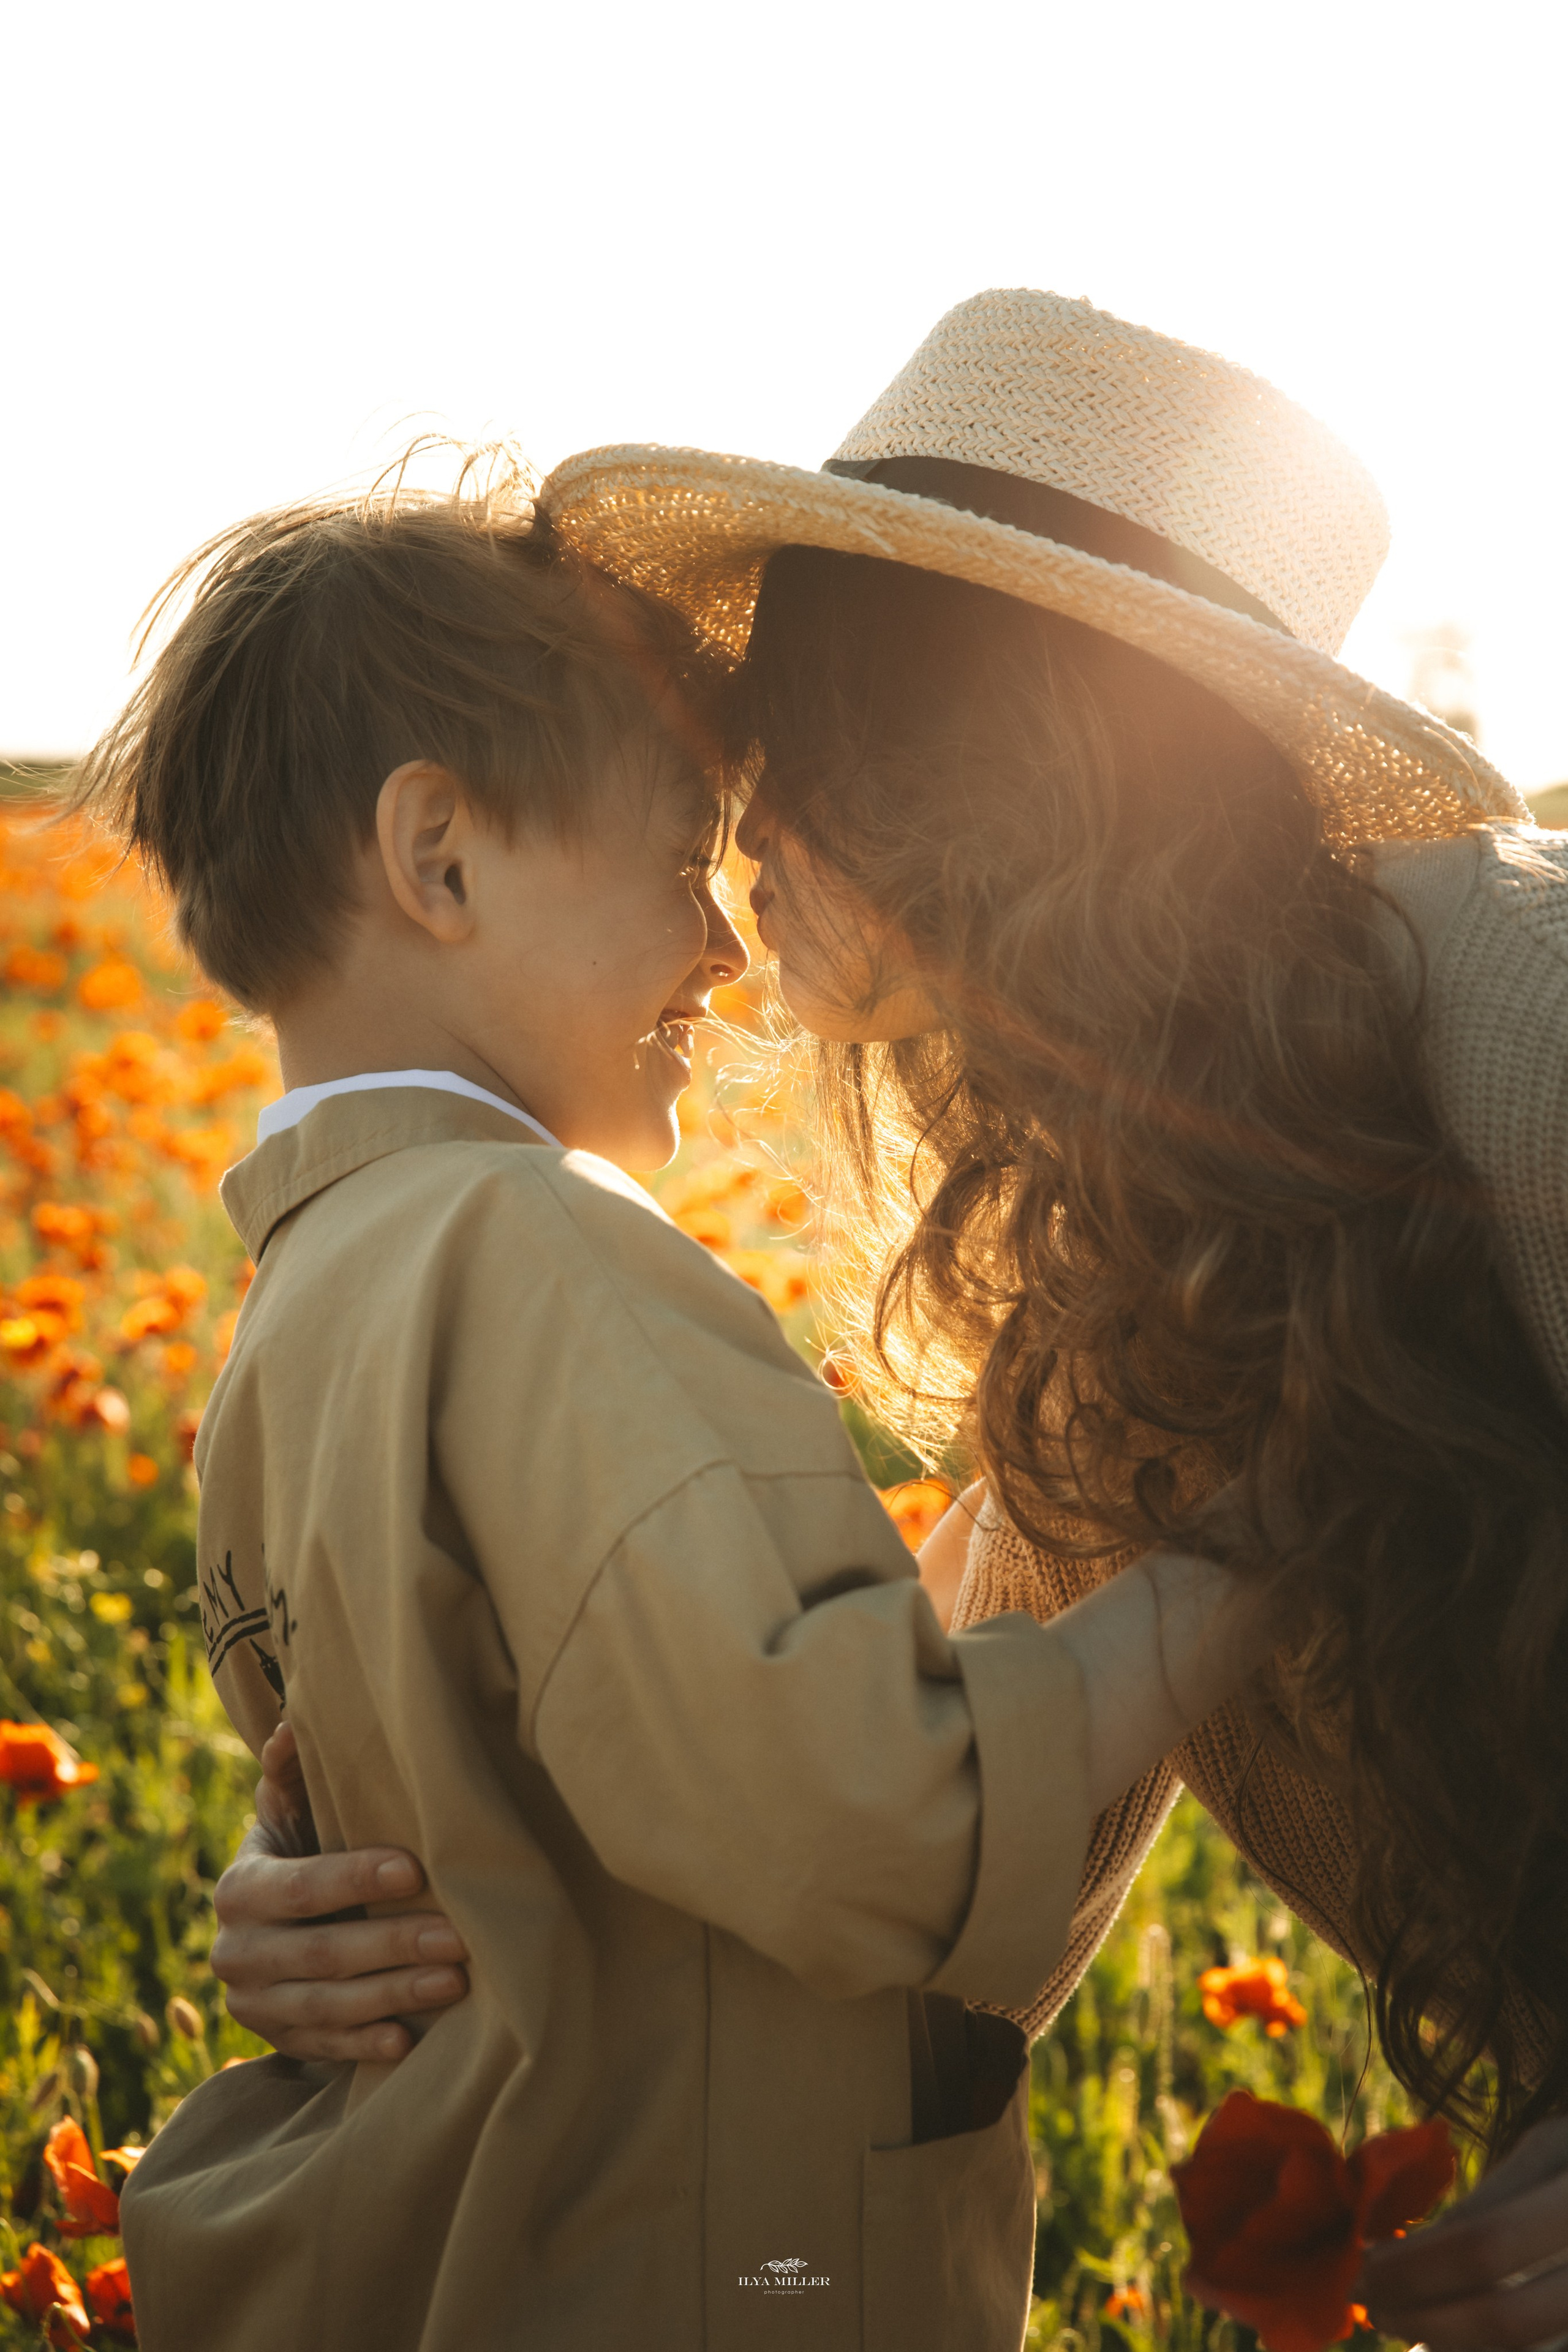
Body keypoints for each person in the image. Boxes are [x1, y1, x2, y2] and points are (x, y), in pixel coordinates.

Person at [223, 292, 1568, 2337]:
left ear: (1022, 745)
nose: (744, 840)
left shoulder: (1522, 1032)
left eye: (816, 725)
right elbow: (916, 1843)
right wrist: (440, 1898)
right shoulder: (1125, 1233)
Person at [73, 453, 1276, 2352]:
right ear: (439, 858)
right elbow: (864, 1820)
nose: (722, 949)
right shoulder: (541, 1249)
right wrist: (1247, 1565)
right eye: (675, 860)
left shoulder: (297, 1316)